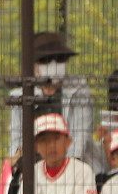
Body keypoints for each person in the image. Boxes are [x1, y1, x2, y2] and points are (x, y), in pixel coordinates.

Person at [7, 31, 103, 174]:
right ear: (33, 66)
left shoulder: (79, 91)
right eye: (45, 61)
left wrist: (60, 172)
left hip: (76, 170)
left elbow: (79, 140)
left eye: (60, 59)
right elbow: (16, 142)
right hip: (34, 172)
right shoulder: (20, 97)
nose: (54, 64)